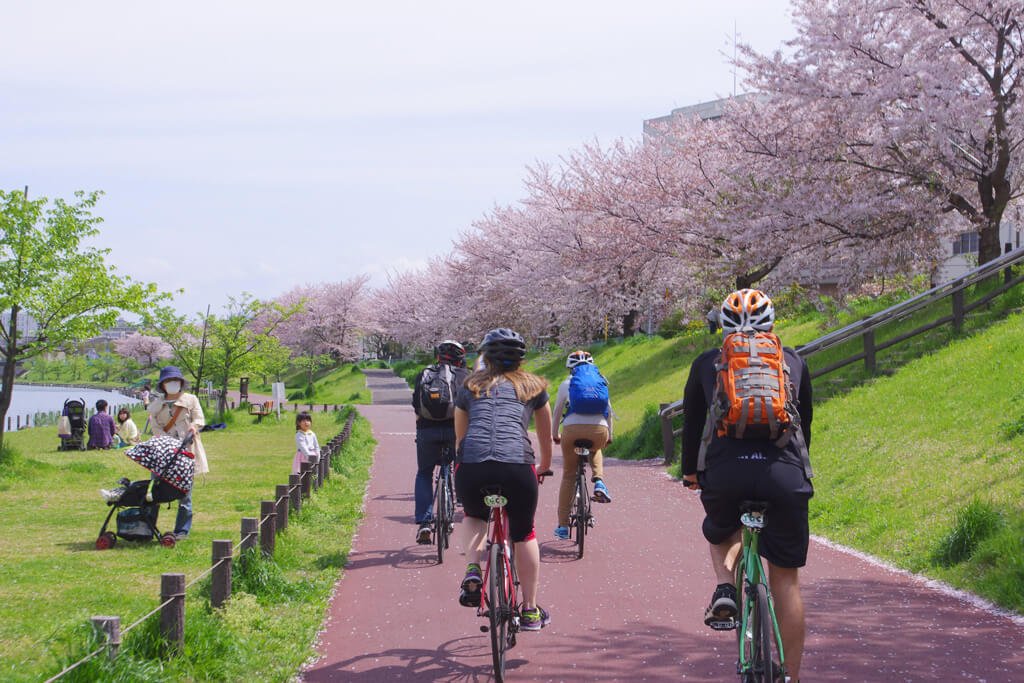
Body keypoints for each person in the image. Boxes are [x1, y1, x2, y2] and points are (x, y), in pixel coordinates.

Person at [680, 289, 813, 682]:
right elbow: (804, 424)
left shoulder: (708, 362)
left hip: (726, 474)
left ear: (722, 329)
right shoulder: (791, 362)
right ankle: (791, 676)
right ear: (772, 325)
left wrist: (691, 473)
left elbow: (692, 425)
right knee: (786, 579)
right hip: (784, 474)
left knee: (722, 530)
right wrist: (796, 473)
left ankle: (725, 588)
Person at [453, 328, 553, 631]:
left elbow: (461, 438)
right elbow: (546, 436)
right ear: (521, 359)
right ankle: (530, 610)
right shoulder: (534, 386)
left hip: (473, 464)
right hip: (517, 466)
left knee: (474, 515)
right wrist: (544, 467)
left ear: (485, 355)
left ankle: (473, 568)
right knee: (524, 533)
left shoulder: (469, 385)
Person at [550, 350, 615, 540]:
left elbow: (556, 413)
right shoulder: (601, 381)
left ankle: (562, 527)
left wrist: (555, 435)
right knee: (596, 448)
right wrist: (609, 435)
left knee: (569, 476)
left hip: (571, 430)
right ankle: (599, 480)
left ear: (571, 369)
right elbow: (608, 411)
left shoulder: (566, 384)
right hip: (599, 429)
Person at [411, 340, 470, 544]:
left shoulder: (424, 374)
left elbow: (416, 405)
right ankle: (462, 505)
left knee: (424, 473)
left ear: (438, 356)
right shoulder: (465, 377)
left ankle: (424, 522)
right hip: (455, 431)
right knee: (461, 467)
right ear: (460, 359)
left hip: (427, 431)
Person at [147, 365, 209, 540]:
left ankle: (181, 531)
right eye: (168, 381)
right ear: (163, 384)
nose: (172, 383)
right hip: (162, 452)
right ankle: (148, 527)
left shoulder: (191, 400)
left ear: (181, 382)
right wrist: (166, 440)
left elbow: (199, 419)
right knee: (154, 490)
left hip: (186, 451)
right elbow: (155, 427)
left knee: (185, 493)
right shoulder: (156, 404)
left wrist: (193, 427)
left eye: (175, 380)